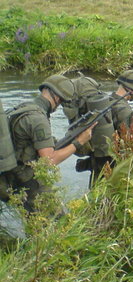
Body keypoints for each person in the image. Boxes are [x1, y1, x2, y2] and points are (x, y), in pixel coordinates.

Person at [1, 75, 94, 213]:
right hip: (27, 179)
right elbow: (49, 161)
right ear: (57, 97)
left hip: (11, 174)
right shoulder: (39, 119)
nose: (61, 104)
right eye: (62, 101)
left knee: (36, 224)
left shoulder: (25, 106)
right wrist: (80, 141)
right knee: (58, 220)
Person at [62, 76, 116, 186]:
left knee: (99, 191)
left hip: (104, 160)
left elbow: (81, 151)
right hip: (108, 157)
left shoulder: (85, 120)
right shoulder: (109, 107)